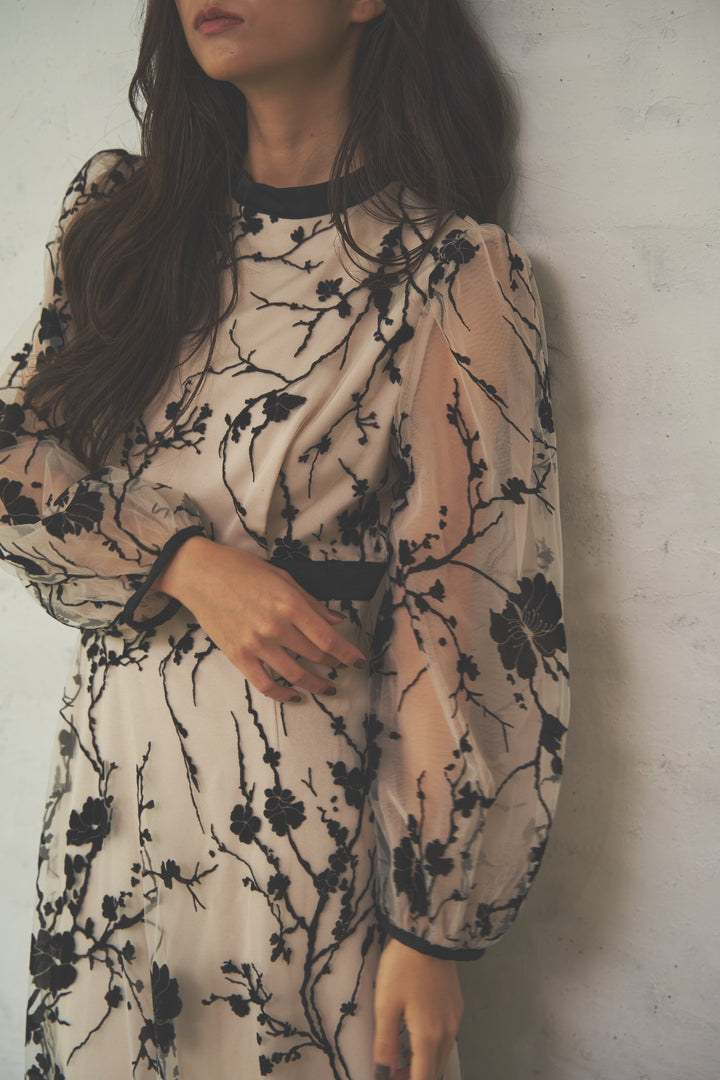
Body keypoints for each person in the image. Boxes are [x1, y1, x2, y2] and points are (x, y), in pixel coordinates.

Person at [0, 1, 570, 1078]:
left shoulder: (452, 271)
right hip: (116, 794)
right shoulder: (118, 219)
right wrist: (182, 565)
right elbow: (12, 459)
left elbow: (471, 618)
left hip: (306, 813)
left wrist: (431, 929)